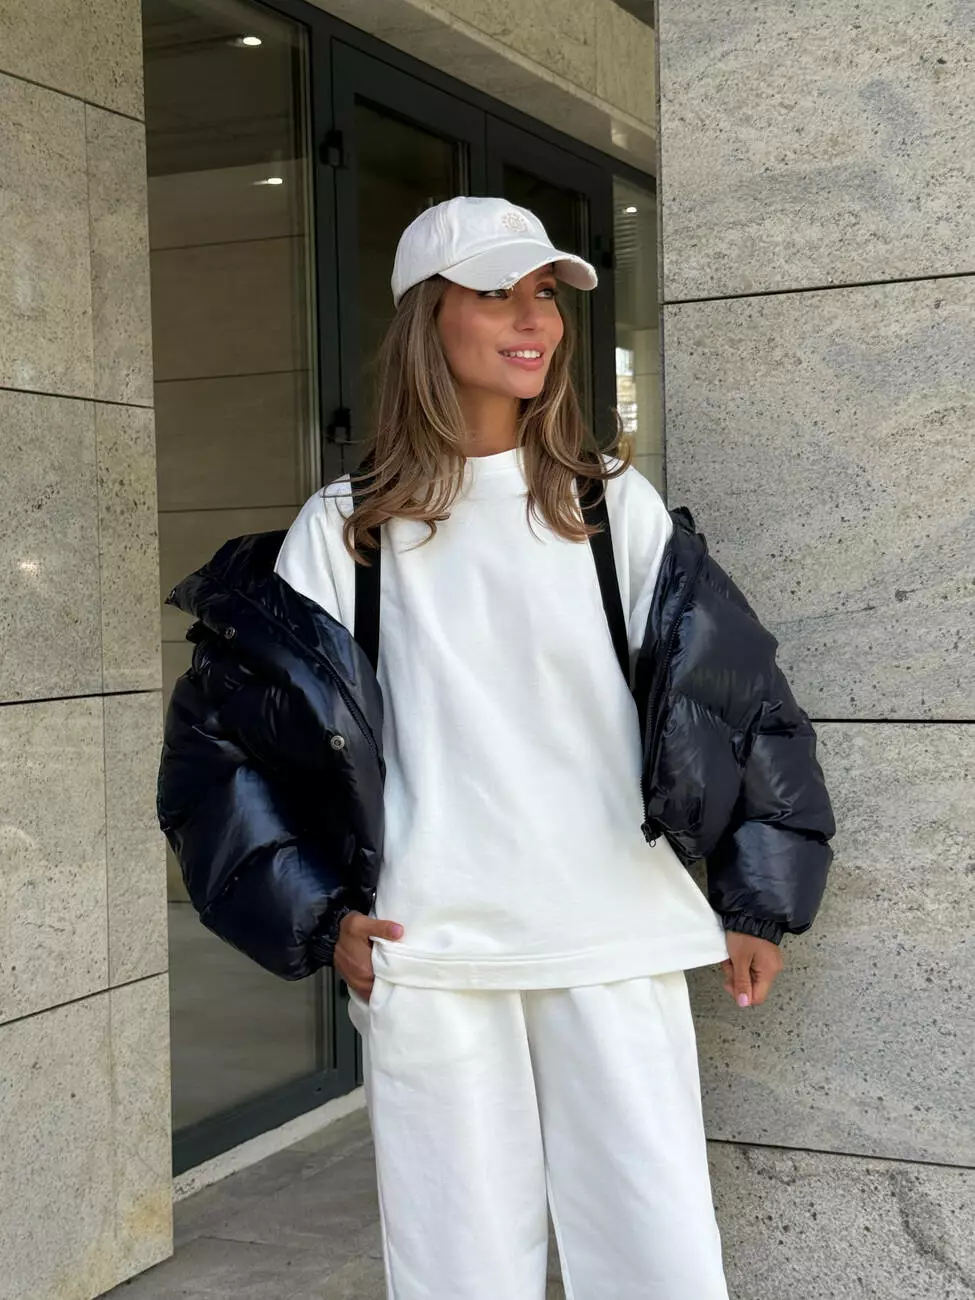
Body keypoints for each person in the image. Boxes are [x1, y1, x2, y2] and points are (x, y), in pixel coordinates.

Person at [158, 196, 836, 1300]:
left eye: (545, 294)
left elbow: (741, 699)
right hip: (432, 948)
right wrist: (321, 918)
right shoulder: (346, 530)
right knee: (458, 1267)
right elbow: (223, 752)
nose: (534, 321)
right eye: (495, 293)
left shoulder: (608, 507)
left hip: (612, 932)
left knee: (658, 1255)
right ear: (428, 318)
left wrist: (758, 899)